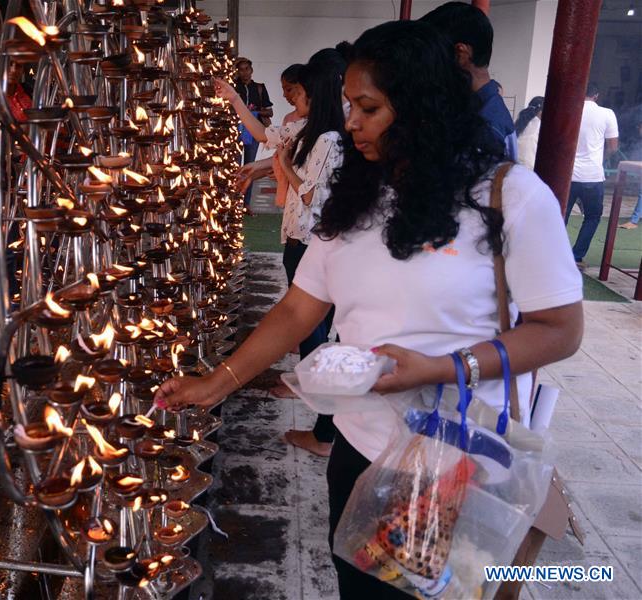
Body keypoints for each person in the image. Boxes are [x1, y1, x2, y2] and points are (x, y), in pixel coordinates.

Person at [157, 20, 583, 597]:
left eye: (370, 107)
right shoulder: (358, 197)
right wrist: (216, 384)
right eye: (349, 105)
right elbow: (298, 309)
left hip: (455, 457)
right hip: (362, 451)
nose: (352, 121)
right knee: (363, 588)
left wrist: (442, 368)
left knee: (435, 591)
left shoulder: (509, 196)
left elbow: (558, 330)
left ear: (421, 108)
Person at [217, 49, 347, 457]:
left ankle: (325, 427)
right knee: (309, 327)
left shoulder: (327, 138)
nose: (293, 101)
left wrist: (286, 165)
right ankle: (315, 400)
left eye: (299, 95)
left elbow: (310, 193)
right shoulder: (310, 132)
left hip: (312, 238)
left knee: (314, 331)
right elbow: (268, 142)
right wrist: (236, 103)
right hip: (297, 236)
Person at [421, 1, 517, 161]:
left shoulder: (485, 129)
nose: (428, 65)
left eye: (433, 55)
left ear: (460, 54)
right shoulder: (476, 107)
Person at [236, 63, 306, 206]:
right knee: (241, 168)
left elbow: (264, 135)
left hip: (302, 206)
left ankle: (246, 204)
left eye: (291, 90)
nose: (287, 96)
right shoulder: (294, 122)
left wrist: (235, 100)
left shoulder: (327, 135)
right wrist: (257, 169)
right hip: (293, 206)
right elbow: (285, 156)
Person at [566, 82, 619, 268]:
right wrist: (601, 159)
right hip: (592, 175)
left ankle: (553, 253)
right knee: (592, 216)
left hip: (568, 175)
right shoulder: (607, 114)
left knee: (559, 216)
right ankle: (576, 255)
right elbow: (613, 147)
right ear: (596, 95)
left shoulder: (570, 111)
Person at [233, 57, 273, 212]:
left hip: (253, 131)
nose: (244, 72)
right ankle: (233, 202)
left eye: (247, 69)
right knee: (235, 167)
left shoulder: (259, 88)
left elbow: (269, 111)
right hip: (235, 131)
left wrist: (252, 112)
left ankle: (246, 203)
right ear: (237, 71)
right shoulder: (234, 87)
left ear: (251, 70)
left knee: (250, 167)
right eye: (241, 69)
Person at [516, 96, 543, 170]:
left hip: (514, 164)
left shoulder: (519, 120)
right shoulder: (539, 125)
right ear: (540, 112)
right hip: (529, 167)